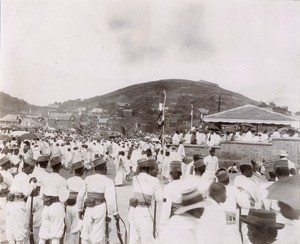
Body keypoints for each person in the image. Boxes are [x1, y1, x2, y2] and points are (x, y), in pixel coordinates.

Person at [77, 157, 119, 244]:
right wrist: (111, 214)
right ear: (104, 168)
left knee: (85, 234)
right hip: (100, 208)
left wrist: (80, 210)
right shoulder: (108, 181)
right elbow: (110, 201)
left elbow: (80, 196)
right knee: (97, 236)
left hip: (88, 208)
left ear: (94, 169)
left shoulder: (88, 179)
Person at [128, 158, 163, 244]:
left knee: (133, 238)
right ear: (149, 169)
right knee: (147, 239)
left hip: (133, 209)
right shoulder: (154, 180)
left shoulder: (135, 178)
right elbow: (159, 198)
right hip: (144, 211)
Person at [39, 156, 69, 244]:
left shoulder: (45, 178)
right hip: (56, 206)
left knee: (43, 233)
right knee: (56, 233)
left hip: (46, 206)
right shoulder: (62, 180)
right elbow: (63, 198)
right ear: (59, 166)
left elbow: (41, 195)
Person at [6, 157, 36, 244]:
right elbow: (26, 192)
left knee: (11, 229)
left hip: (10, 204)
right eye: (31, 168)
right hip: (18, 204)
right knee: (20, 230)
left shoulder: (18, 175)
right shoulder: (25, 177)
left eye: (33, 168)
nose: (32, 170)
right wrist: (32, 184)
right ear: (27, 167)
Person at [26, 155, 50, 244]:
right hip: (40, 198)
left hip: (30, 197)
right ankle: (37, 241)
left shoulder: (32, 172)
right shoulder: (47, 175)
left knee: (27, 220)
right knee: (38, 222)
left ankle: (28, 240)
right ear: (46, 164)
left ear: (37, 164)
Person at [159, 161, 187, 231]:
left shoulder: (168, 187)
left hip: (175, 220)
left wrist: (162, 226)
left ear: (170, 173)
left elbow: (166, 209)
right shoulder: (186, 185)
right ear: (181, 173)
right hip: (186, 219)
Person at [64, 160, 85, 244]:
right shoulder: (83, 182)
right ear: (82, 171)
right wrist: (82, 209)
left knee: (68, 229)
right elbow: (82, 197)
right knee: (75, 229)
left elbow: (64, 194)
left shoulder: (68, 180)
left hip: (68, 205)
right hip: (77, 205)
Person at [0, 154, 13, 243]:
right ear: (6, 164)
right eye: (9, 163)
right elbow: (13, 186)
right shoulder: (6, 174)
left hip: (2, 198)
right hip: (4, 199)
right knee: (5, 221)